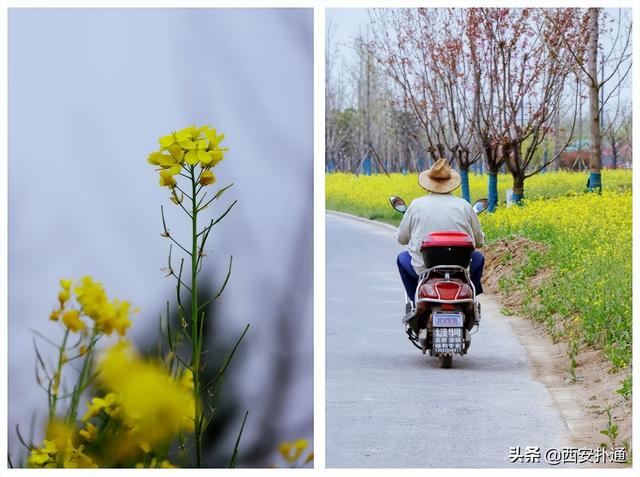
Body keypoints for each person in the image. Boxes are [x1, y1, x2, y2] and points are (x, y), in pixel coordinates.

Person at [395, 158, 485, 303]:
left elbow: (402, 239)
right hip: (460, 270)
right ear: (451, 184)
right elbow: (479, 241)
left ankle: (416, 300)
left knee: (402, 258)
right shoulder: (464, 206)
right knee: (479, 258)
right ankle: (469, 297)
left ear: (428, 184)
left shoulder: (416, 205)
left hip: (424, 270)